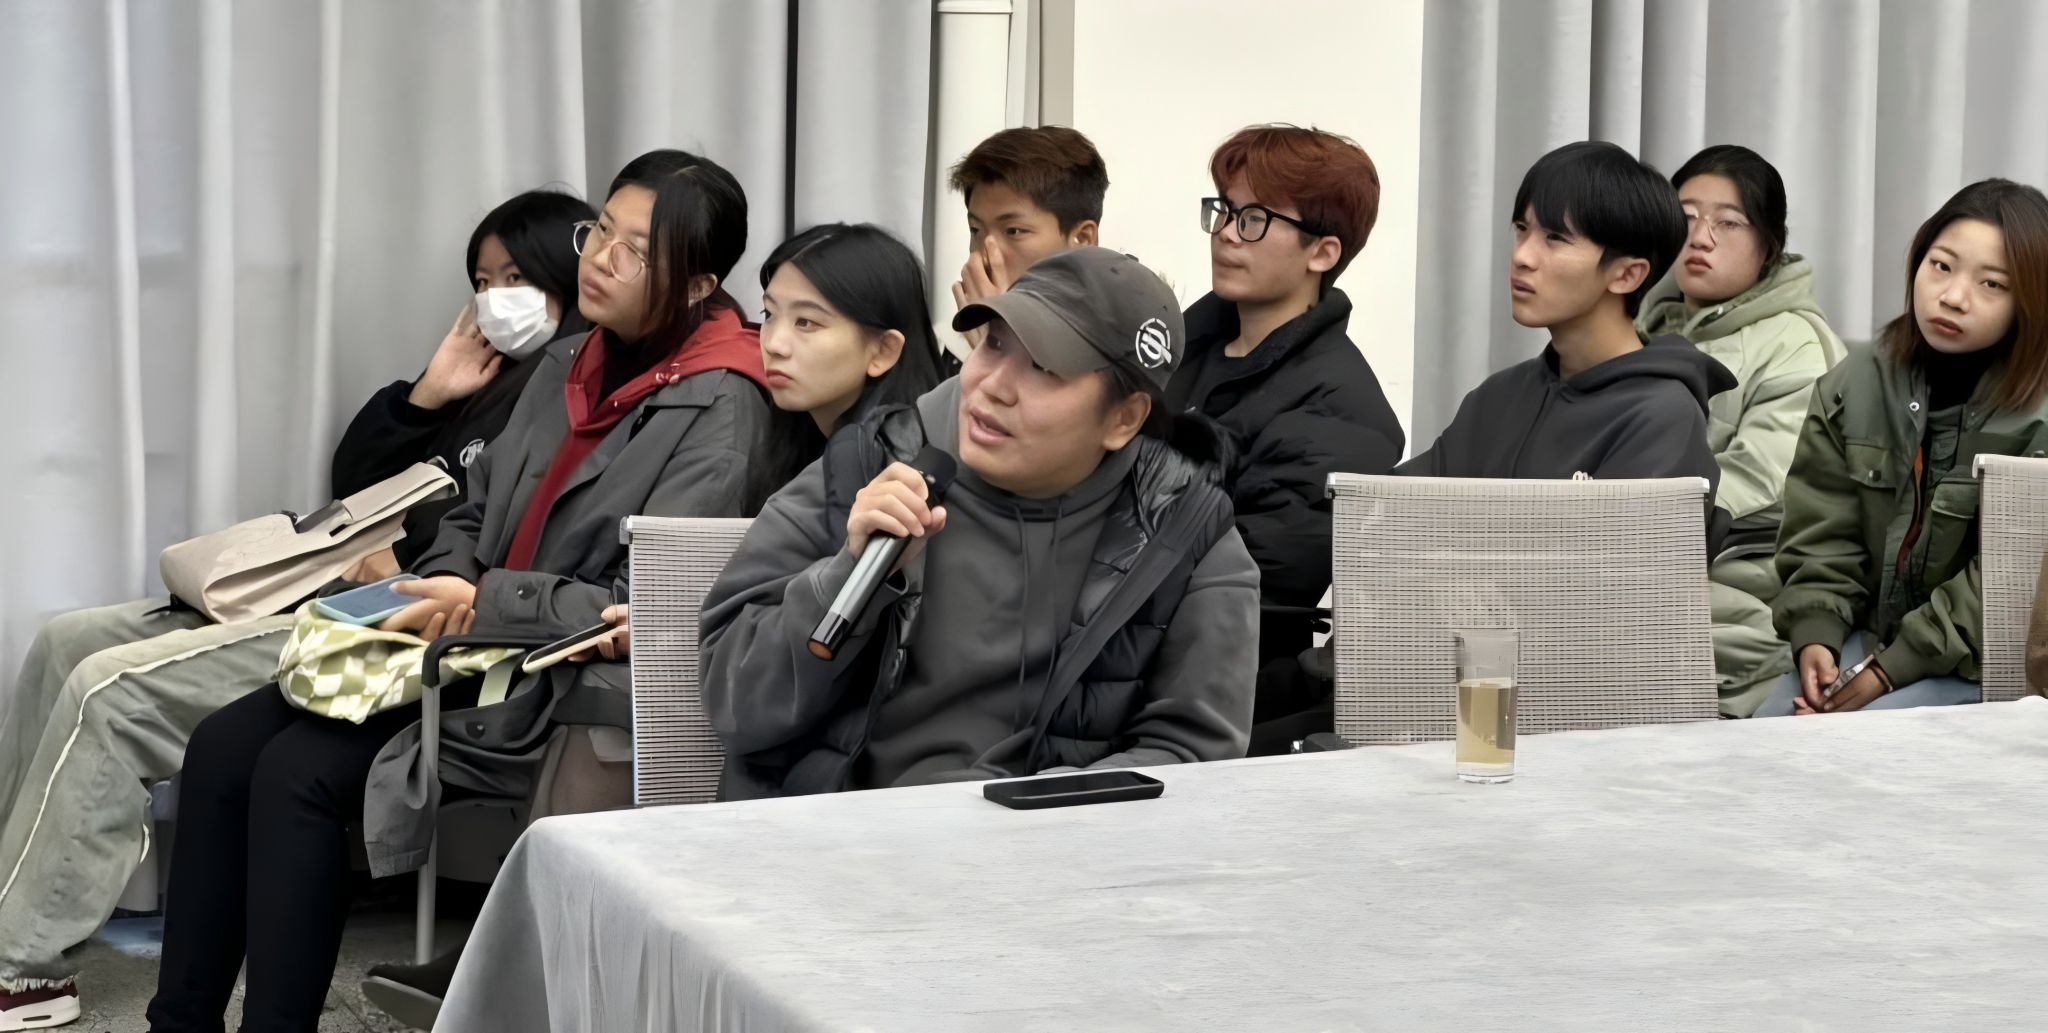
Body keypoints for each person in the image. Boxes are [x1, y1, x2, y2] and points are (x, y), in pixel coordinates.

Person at [141, 149, 774, 1033]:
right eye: (601, 230)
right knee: (218, 746)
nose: (600, 258)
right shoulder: (571, 359)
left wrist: (483, 600)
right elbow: (476, 503)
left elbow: (642, 600)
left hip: (544, 676)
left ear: (700, 283)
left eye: (637, 250)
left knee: (296, 773)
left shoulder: (723, 405)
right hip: (456, 639)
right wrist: (449, 573)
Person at [0, 189, 593, 1032]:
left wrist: (410, 560)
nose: (495, 299)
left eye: (516, 278)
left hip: (392, 618)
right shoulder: (486, 378)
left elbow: (504, 529)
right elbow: (356, 482)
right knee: (67, 639)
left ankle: (22, 965)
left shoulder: (568, 387)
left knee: (110, 688)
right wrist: (425, 397)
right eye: (482, 280)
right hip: (335, 584)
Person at [356, 221, 947, 1030]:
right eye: (771, 313)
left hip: (824, 730)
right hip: (752, 682)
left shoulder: (883, 460)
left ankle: (523, 966)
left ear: (882, 350)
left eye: (808, 323)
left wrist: (667, 618)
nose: (774, 342)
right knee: (604, 699)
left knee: (611, 709)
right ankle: (526, 963)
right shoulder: (809, 438)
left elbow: (827, 616)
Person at [701, 246, 1260, 800]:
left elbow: (1193, 756)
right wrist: (845, 577)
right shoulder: (869, 467)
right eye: (993, 344)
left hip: (1049, 842)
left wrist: (1018, 816)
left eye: (1043, 367)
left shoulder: (1183, 533)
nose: (992, 386)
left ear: (1123, 418)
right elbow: (734, 704)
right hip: (843, 826)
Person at [1759, 178, 2048, 718]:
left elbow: (2012, 582)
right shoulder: (1857, 382)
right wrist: (1817, 634)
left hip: (1991, 664)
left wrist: (1890, 671)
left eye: (1992, 283)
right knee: (1768, 728)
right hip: (1874, 640)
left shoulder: (2040, 415)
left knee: (1860, 740)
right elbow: (1822, 533)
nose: (1953, 296)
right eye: (1941, 265)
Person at [1168, 124, 1405, 753]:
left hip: (1215, 682)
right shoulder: (1176, 349)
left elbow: (1251, 584)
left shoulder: (1342, 406)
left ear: (1322, 252)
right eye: (1224, 210)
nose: (1226, 233)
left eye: (1254, 219)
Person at [1636, 145, 1847, 717]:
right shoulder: (1648, 325)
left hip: (1744, 571)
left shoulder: (1795, 342)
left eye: (1728, 223)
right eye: (1685, 218)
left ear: (1769, 246)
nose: (1700, 238)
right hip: (1659, 553)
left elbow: (1759, 481)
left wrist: (1627, 526)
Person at [1401, 141, 1732, 495]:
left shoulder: (1661, 416)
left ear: (1626, 275)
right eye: (1522, 228)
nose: (1522, 256)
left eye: (1555, 238)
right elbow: (1395, 506)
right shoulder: (1497, 397)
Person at [946, 126, 1109, 358]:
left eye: (1013, 231)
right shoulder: (958, 344)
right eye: (976, 230)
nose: (984, 258)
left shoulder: (1121, 345)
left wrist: (998, 344)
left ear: (1083, 239)